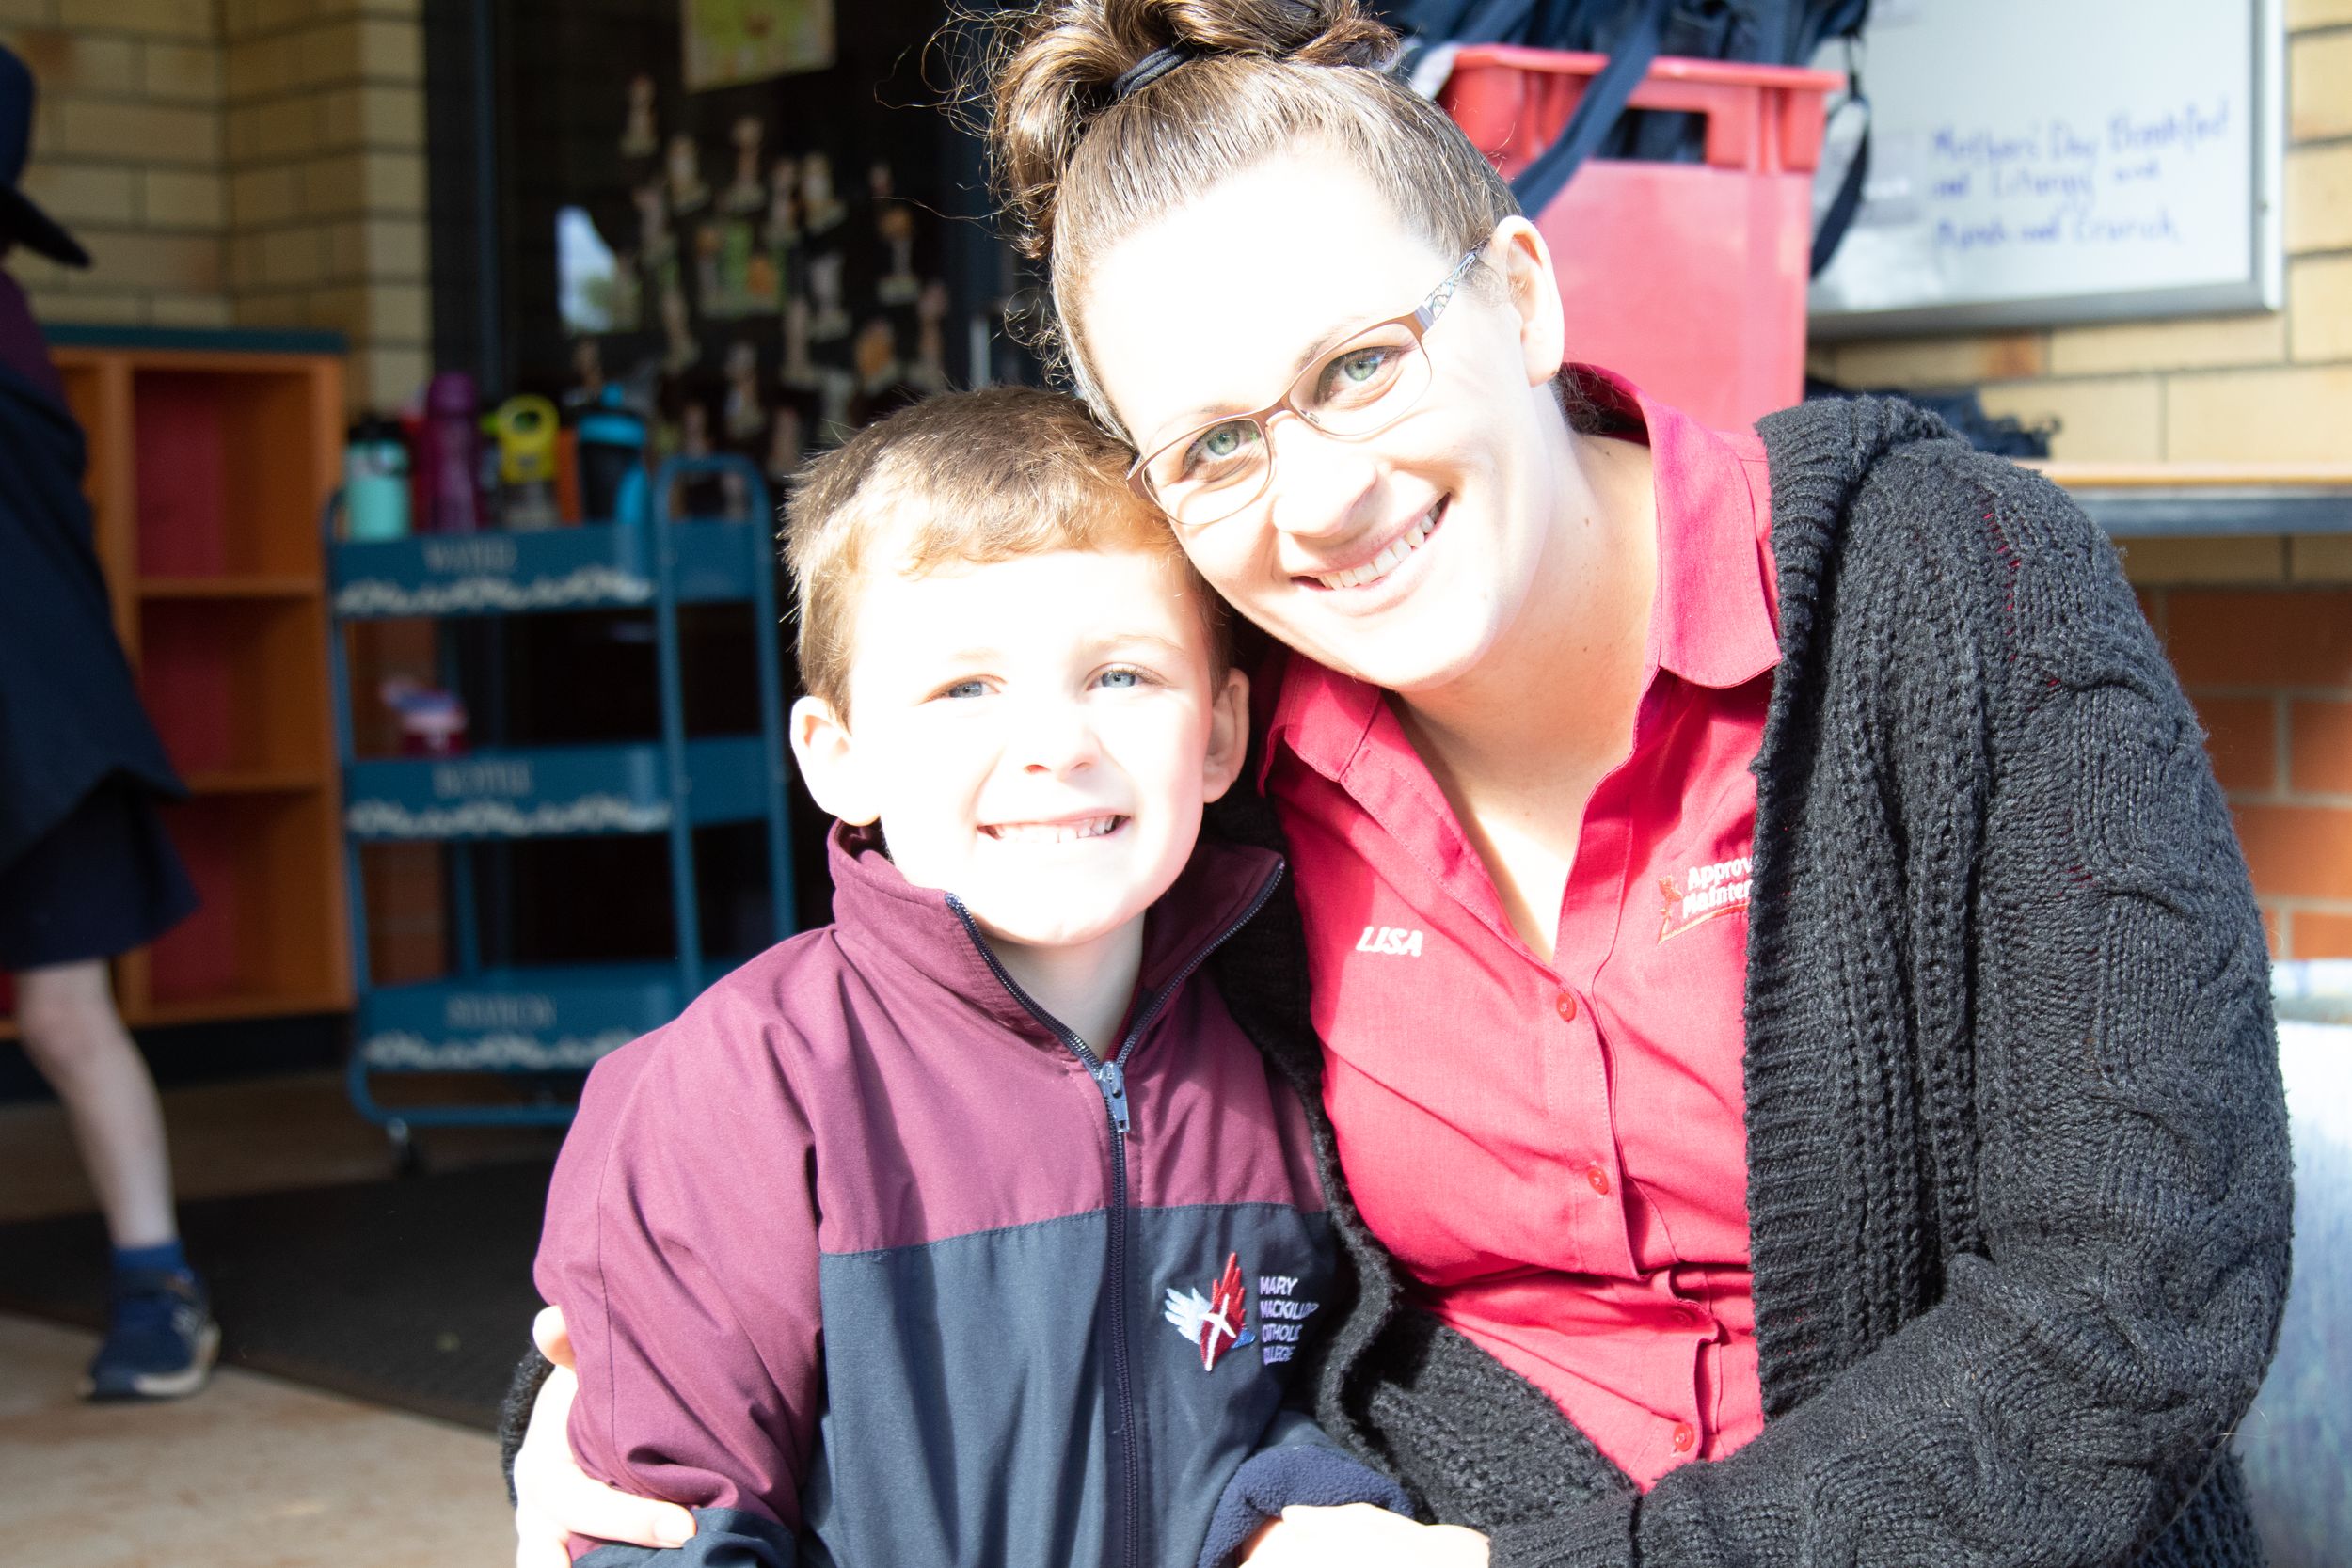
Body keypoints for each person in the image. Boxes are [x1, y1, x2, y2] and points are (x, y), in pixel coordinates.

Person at [510, 2, 2294, 1563]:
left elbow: (2138, 1298)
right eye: (1215, 445)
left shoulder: (1947, 584)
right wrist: (617, 1385)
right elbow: (982, 1106)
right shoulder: (1221, 754)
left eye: (1360, 366)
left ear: (1519, 295)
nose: (1318, 497)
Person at [528, 388, 1415, 1568]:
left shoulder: (1292, 1045)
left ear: (1216, 733)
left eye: (1121, 676)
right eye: (964, 688)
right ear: (838, 756)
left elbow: (1314, 1389)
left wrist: (1293, 1503)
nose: (1056, 744)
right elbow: (666, 1526)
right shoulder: (731, 1088)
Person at [0, 42, 218, 1402]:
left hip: (39, 715)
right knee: (68, 1014)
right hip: (51, 712)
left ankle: (158, 1279)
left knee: (67, 1013)